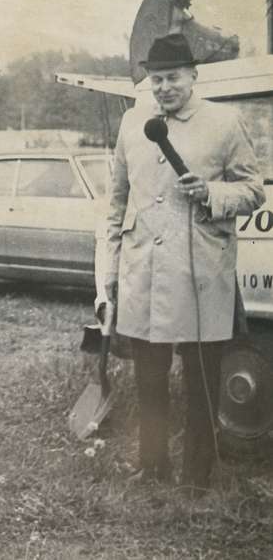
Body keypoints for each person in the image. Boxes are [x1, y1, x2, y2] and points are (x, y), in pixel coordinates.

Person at [106, 34, 264, 493]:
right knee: (149, 380)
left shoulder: (224, 122)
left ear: (194, 76)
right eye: (156, 79)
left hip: (199, 272)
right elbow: (116, 202)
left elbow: (252, 189)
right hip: (145, 274)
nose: (164, 87)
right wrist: (112, 271)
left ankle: (198, 475)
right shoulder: (133, 123)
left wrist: (212, 193)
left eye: (173, 77)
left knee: (200, 382)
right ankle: (152, 466)